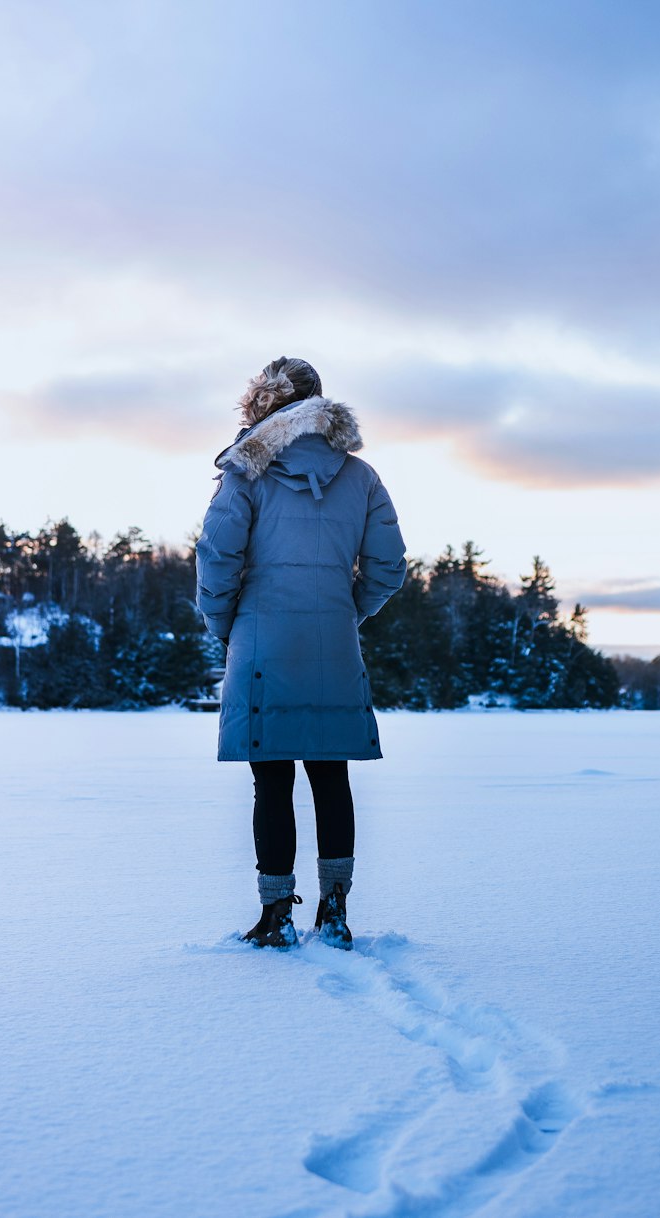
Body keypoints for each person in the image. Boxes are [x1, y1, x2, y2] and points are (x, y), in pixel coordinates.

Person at [195, 356, 407, 949]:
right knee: (331, 778)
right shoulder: (359, 476)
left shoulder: (246, 471)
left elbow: (216, 559)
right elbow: (389, 566)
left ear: (265, 403)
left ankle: (274, 918)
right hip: (333, 644)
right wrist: (349, 609)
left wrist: (226, 624)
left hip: (261, 643)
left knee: (272, 784)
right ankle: (334, 912)